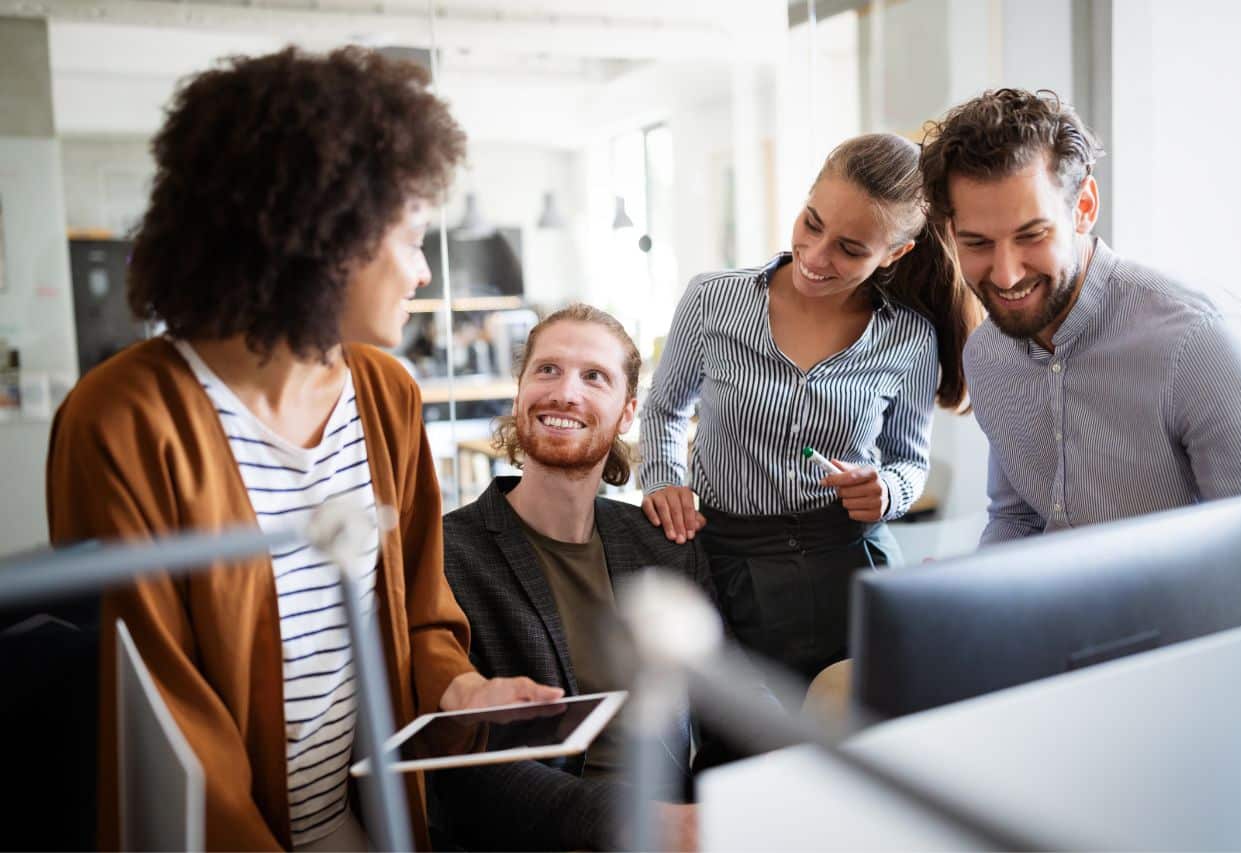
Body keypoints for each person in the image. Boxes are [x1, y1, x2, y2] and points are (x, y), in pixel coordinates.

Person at [46, 47, 560, 851]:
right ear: (327, 237)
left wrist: (455, 687)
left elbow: (420, 612)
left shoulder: (387, 395)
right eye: (414, 237)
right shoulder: (124, 419)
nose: (424, 272)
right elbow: (164, 718)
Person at [918, 88, 1241, 618]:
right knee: (843, 690)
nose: (1006, 274)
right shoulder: (987, 357)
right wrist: (976, 598)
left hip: (1183, 656)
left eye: (1031, 235)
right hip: (1052, 640)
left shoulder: (1198, 341)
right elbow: (1019, 519)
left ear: (1084, 205)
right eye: (976, 244)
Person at [639, 134, 976, 685]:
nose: (816, 258)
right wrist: (662, 480)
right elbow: (663, 411)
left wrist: (887, 490)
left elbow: (909, 464)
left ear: (895, 254)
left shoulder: (911, 339)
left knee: (859, 749)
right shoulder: (711, 301)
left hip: (855, 566)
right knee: (742, 753)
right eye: (812, 223)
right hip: (728, 569)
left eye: (850, 248)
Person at [432, 304, 703, 852]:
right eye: (547, 370)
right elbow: (456, 764)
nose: (565, 393)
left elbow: (722, 701)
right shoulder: (446, 553)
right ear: (520, 392)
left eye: (594, 377)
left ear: (628, 413)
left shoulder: (663, 543)